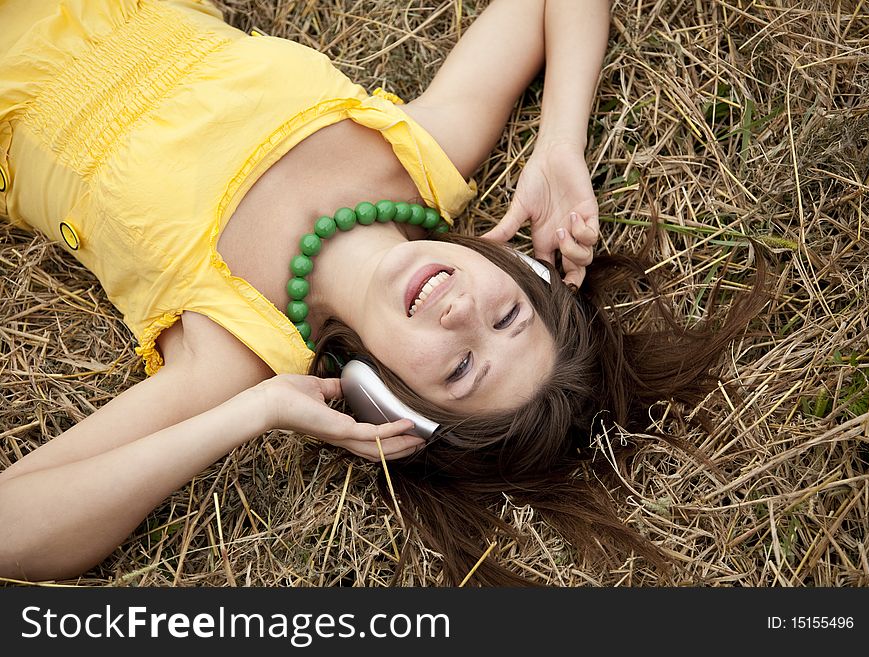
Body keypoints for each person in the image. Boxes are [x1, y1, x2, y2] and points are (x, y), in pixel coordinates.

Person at [0, 0, 766, 585]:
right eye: (507, 312)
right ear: (519, 272)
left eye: (460, 367)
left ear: (387, 401)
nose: (463, 311)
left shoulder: (235, 346)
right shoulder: (428, 154)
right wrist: (560, 140)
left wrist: (251, 412)